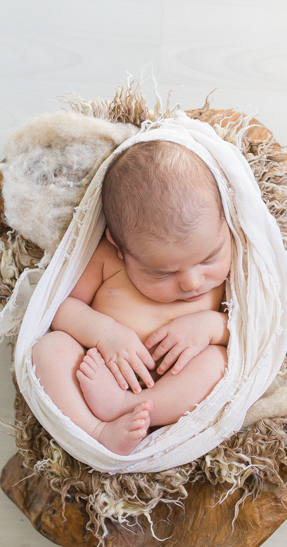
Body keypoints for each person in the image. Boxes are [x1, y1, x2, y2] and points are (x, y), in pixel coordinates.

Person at [32, 140, 231, 456]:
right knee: (49, 349)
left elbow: (246, 332)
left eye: (209, 258)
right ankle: (96, 430)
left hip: (174, 389)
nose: (194, 282)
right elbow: (62, 310)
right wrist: (106, 334)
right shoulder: (106, 259)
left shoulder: (231, 265)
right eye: (162, 273)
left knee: (220, 362)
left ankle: (129, 405)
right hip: (97, 373)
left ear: (226, 221)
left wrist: (209, 326)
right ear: (120, 247)